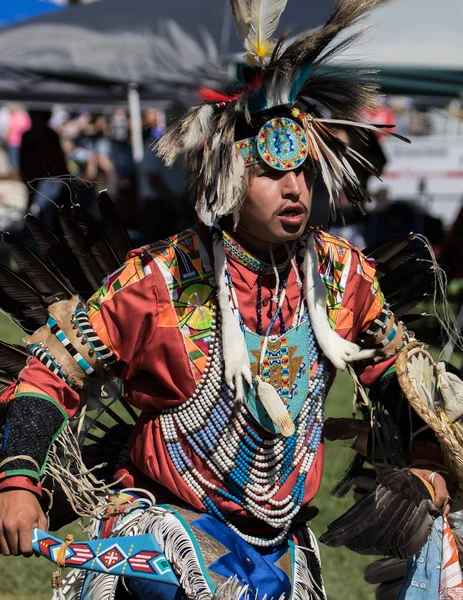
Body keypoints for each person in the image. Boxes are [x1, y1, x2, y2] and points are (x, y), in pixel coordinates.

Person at [0, 1, 460, 599]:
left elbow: (409, 387)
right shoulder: (162, 279)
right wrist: (18, 482)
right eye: (270, 171)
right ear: (227, 175)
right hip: (166, 533)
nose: (294, 188)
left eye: (303, 171)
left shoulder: (342, 278)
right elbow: (50, 368)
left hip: (281, 541)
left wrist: (429, 466)